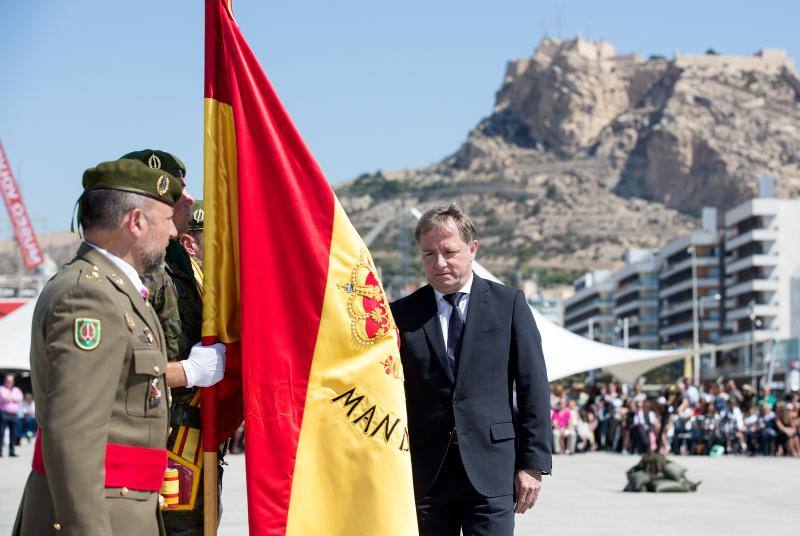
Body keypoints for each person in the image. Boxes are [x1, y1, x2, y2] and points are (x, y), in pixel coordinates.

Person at [13, 159, 188, 535]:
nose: (173, 231)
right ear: (136, 222)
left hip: (123, 508)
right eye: (166, 218)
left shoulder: (114, 291)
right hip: (102, 515)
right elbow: (73, 434)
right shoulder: (90, 296)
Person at [391, 204, 552, 536]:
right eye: (429, 254)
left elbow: (533, 387)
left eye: (449, 252)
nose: (439, 263)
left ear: (472, 249)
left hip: (492, 471)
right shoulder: (400, 314)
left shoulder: (509, 304)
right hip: (424, 473)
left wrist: (532, 464)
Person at [121, 151, 222, 535]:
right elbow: (115, 370)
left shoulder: (184, 271)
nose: (189, 200)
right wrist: (188, 372)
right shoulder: (144, 272)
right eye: (176, 195)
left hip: (191, 446)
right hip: (159, 444)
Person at [1, 373, 23, 456]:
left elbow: (20, 398)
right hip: (3, 413)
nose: (9, 383)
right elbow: (4, 397)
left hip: (13, 414)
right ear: (5, 381)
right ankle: (0, 451)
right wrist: (13, 398)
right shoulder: (1, 389)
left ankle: (12, 451)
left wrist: (10, 398)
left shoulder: (16, 390)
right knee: (1, 433)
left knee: (13, 433)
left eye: (11, 381)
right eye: (8, 381)